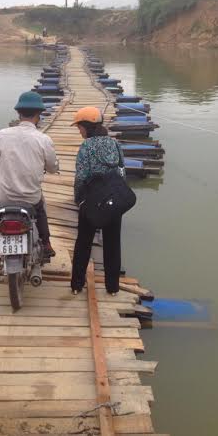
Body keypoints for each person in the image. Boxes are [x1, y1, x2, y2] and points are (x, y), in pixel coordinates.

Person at [0, 91, 59, 258]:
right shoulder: (43, 139)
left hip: (4, 196)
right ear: (38, 114)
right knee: (40, 209)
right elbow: (53, 167)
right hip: (30, 198)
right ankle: (46, 243)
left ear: (18, 113)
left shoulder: (3, 134)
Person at [70, 107, 124, 296]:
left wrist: (78, 199)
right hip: (113, 201)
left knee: (83, 243)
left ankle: (77, 285)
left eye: (79, 127)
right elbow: (122, 170)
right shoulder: (114, 144)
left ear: (87, 126)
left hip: (91, 200)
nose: (79, 131)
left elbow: (81, 177)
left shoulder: (86, 146)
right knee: (113, 244)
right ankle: (112, 287)